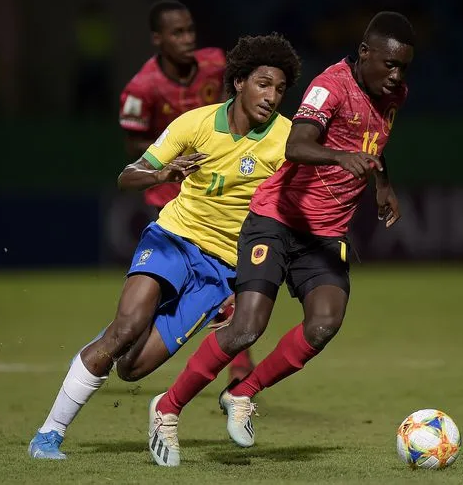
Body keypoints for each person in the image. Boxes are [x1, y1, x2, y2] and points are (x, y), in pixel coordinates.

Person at [149, 11, 415, 466]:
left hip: (326, 234)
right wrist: (339, 156)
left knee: (324, 324)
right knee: (247, 326)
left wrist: (382, 183)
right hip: (275, 218)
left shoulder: (394, 95)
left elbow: (375, 142)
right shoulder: (330, 85)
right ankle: (167, 408)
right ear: (365, 52)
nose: (396, 75)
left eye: (404, 67)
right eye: (389, 64)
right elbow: (297, 145)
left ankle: (242, 393)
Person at [28, 33, 301, 461]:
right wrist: (162, 175)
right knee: (125, 328)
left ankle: (121, 335)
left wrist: (245, 284)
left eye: (281, 90)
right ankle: (48, 434)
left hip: (222, 272)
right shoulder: (194, 124)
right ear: (239, 82)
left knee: (132, 368)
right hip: (173, 239)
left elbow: (289, 216)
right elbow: (128, 174)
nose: (272, 97)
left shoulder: (286, 141)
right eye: (264, 84)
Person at [118, 0, 254, 381]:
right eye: (177, 33)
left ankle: (238, 364)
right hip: (170, 197)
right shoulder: (140, 89)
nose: (188, 39)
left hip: (218, 187)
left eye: (191, 29)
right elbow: (134, 149)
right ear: (157, 39)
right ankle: (144, 328)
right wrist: (173, 152)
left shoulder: (216, 64)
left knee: (232, 273)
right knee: (183, 280)